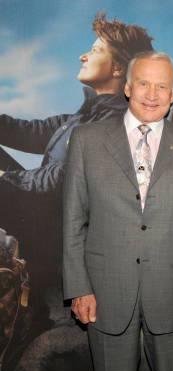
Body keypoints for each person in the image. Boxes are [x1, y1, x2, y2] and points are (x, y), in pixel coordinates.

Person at [62, 51, 173, 371]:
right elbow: (73, 221)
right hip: (105, 294)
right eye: (144, 83)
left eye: (162, 86)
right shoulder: (86, 140)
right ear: (128, 88)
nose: (152, 93)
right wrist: (78, 288)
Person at [0, 12, 154, 332]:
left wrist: (6, 181)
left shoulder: (117, 124)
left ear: (116, 68)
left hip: (58, 236)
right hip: (41, 214)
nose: (83, 55)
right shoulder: (79, 118)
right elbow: (23, 130)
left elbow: (65, 178)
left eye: (95, 50)